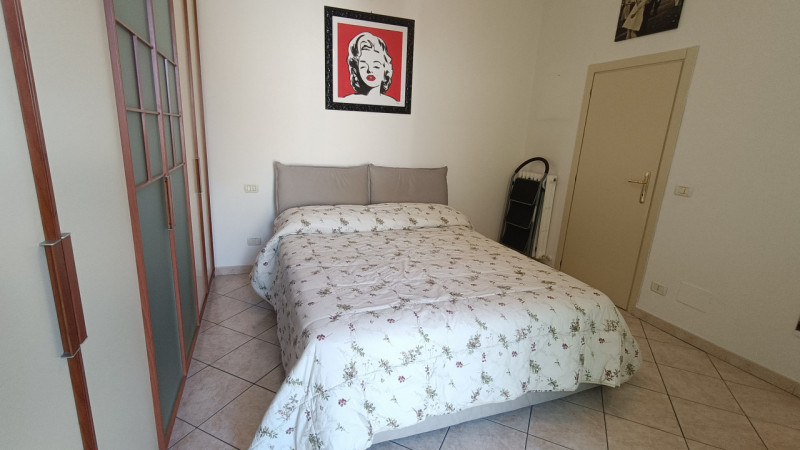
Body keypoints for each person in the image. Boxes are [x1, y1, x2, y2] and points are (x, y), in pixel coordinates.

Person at [345, 32, 399, 105]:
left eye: (376, 66)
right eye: (363, 66)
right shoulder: (348, 100)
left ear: (385, 71)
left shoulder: (392, 103)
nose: (370, 70)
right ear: (356, 70)